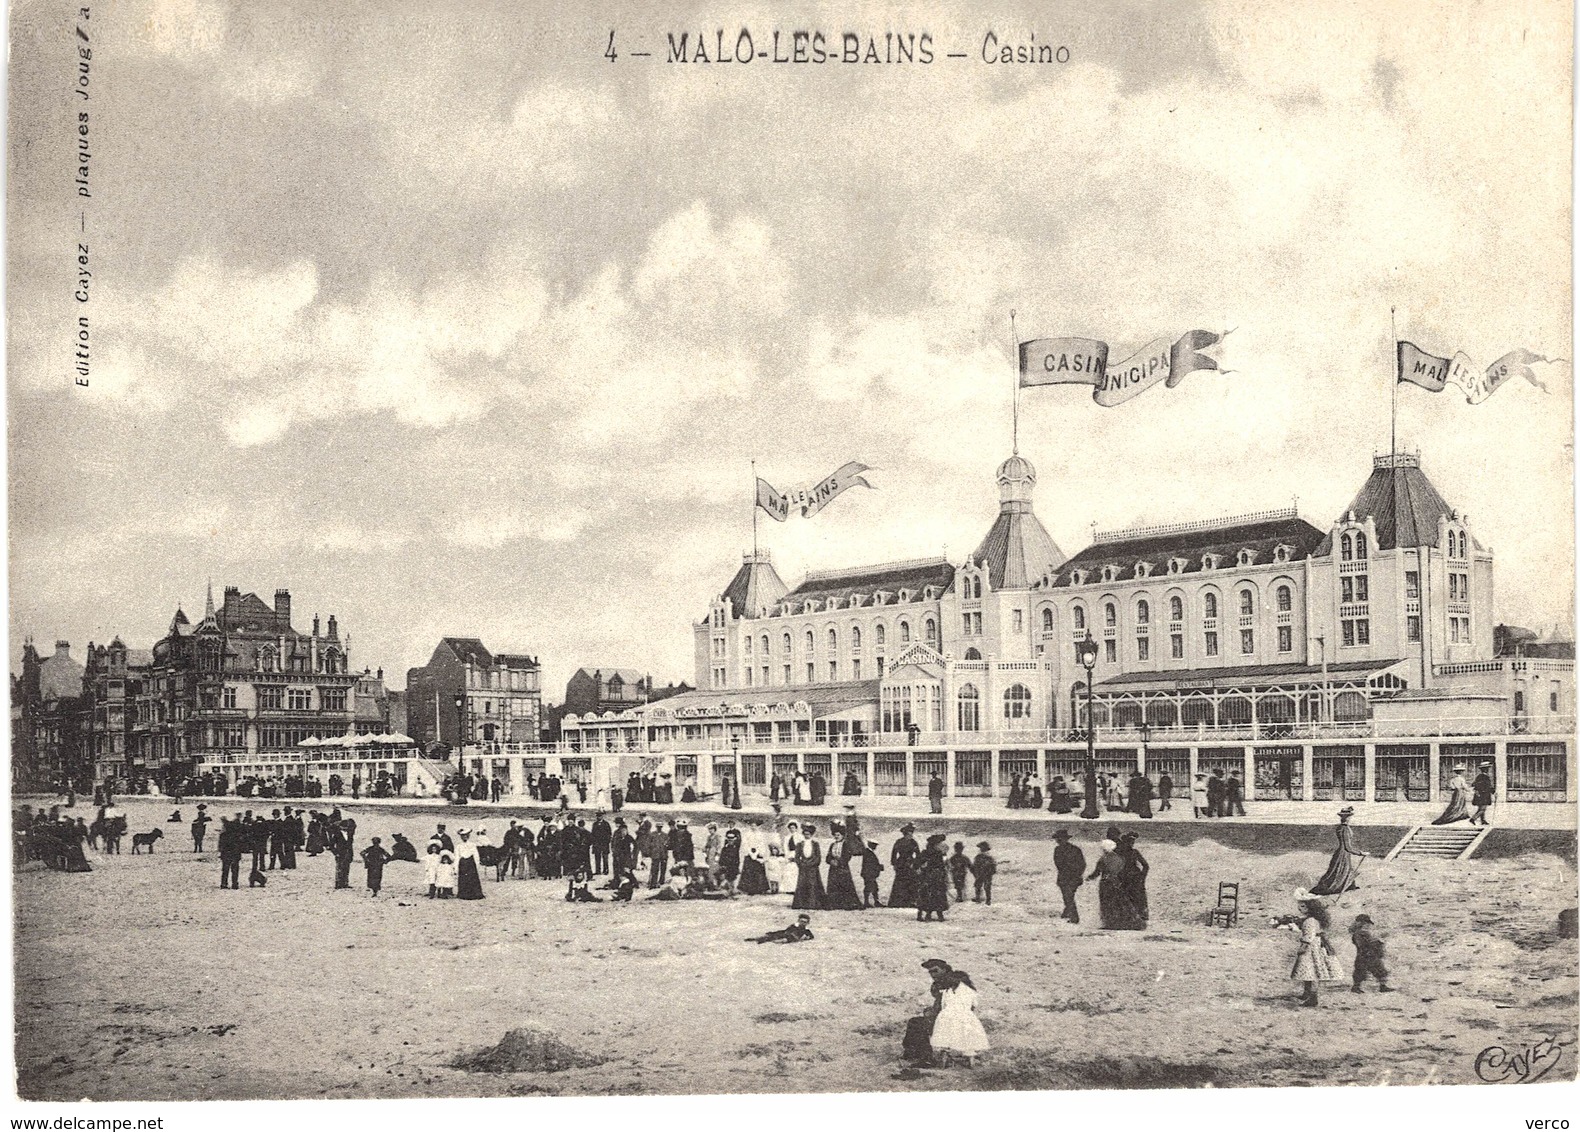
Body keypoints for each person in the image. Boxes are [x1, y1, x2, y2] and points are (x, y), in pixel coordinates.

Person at [1288, 892, 1341, 1007]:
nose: (1299, 908)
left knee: (1312, 973)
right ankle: (1307, 993)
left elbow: (1309, 936)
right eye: (1300, 905)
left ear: (1310, 907)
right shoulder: (1314, 919)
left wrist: (1303, 947)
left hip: (1311, 948)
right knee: (1309, 971)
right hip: (1316, 945)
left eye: (1303, 906)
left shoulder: (1309, 921)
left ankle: (1313, 998)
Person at [930, 970, 990, 1068]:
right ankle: (970, 1059)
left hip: (947, 1015)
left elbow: (943, 1005)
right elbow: (974, 1005)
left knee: (947, 1036)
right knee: (967, 1037)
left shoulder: (946, 991)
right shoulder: (970, 991)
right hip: (965, 1015)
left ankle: (945, 1057)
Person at [903, 959, 956, 1065]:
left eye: (935, 971)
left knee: (918, 1024)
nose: (932, 974)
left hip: (951, 1019)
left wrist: (935, 1013)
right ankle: (914, 1053)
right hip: (943, 1016)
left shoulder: (952, 984)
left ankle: (925, 1058)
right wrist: (932, 1011)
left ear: (944, 969)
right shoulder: (939, 982)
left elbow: (955, 1005)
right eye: (930, 972)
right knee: (916, 1022)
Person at [1309, 807, 1366, 895]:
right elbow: (1348, 847)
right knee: (1340, 872)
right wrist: (1361, 853)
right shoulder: (1345, 829)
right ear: (1346, 818)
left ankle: (1350, 886)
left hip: (1341, 853)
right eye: (1349, 817)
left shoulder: (1340, 827)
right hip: (1343, 854)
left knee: (1343, 871)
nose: (1350, 819)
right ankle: (1337, 888)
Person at [1086, 838, 1136, 930]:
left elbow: (1097, 872)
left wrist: (1089, 878)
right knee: (1118, 902)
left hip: (1106, 883)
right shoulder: (1120, 858)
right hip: (1117, 882)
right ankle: (1121, 922)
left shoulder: (1103, 859)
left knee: (1106, 903)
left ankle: (1109, 923)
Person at [1349, 914, 1395, 994]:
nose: (1368, 925)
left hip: (1371, 955)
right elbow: (1362, 945)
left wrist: (1377, 941)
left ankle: (1382, 986)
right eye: (1366, 923)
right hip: (1364, 955)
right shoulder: (1358, 934)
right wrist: (1377, 942)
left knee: (1380, 970)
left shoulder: (1364, 933)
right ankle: (1356, 987)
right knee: (1360, 971)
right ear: (1361, 923)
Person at [823, 828, 863, 910]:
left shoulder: (846, 844)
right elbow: (828, 857)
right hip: (833, 869)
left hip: (843, 868)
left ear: (842, 836)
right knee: (833, 885)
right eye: (835, 835)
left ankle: (847, 904)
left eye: (838, 835)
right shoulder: (832, 845)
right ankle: (834, 904)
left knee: (845, 885)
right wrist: (831, 861)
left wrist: (840, 862)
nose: (836, 837)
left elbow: (848, 856)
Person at [1052, 829, 1085, 923]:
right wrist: (1078, 874)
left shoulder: (1058, 850)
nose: (1058, 840)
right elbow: (1082, 864)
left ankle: (1074, 917)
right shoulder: (1076, 849)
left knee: (1068, 896)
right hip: (1075, 877)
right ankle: (1066, 912)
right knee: (1070, 895)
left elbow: (1058, 864)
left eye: (1059, 839)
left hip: (1065, 877)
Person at [915, 834, 950, 923]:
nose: (940, 845)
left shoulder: (938, 853)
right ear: (934, 845)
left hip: (936, 877)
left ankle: (936, 914)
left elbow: (943, 865)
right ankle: (930, 914)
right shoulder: (927, 853)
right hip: (929, 877)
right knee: (930, 895)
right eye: (939, 844)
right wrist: (922, 867)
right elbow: (916, 864)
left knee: (935, 895)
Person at [792, 823, 826, 910]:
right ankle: (801, 903)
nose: (806, 836)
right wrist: (801, 864)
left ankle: (812, 904)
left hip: (812, 868)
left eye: (808, 834)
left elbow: (818, 857)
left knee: (812, 885)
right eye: (805, 834)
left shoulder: (815, 844)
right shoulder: (800, 844)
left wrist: (811, 864)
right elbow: (797, 856)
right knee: (802, 884)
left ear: (811, 835)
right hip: (803, 867)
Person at [1117, 832, 1149, 927]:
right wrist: (1142, 877)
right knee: (1134, 899)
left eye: (1132, 842)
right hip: (1130, 878)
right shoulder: (1131, 852)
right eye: (1130, 842)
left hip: (1130, 878)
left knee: (1130, 899)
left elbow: (1146, 866)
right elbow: (1146, 866)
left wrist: (1142, 877)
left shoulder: (1123, 852)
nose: (1131, 844)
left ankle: (1133, 920)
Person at [889, 824, 920, 908]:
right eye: (909, 834)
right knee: (900, 882)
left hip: (910, 864)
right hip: (901, 864)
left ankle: (911, 901)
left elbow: (918, 854)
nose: (911, 835)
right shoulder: (899, 842)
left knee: (912, 882)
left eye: (911, 834)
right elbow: (894, 853)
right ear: (905, 834)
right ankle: (898, 901)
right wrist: (894, 864)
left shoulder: (913, 842)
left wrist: (916, 864)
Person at [454, 829, 485, 900]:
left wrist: (477, 865)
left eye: (466, 835)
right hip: (463, 864)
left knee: (472, 879)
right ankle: (463, 894)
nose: (464, 837)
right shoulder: (458, 846)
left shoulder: (472, 845)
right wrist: (456, 867)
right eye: (463, 836)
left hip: (471, 864)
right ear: (461, 837)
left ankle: (474, 894)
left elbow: (476, 855)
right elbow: (457, 857)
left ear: (468, 836)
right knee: (463, 879)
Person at [747, 913, 816, 944]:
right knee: (773, 935)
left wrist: (805, 938)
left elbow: (811, 936)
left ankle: (762, 940)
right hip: (785, 934)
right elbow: (787, 931)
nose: (802, 923)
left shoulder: (806, 930)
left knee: (774, 939)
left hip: (789, 938)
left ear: (807, 923)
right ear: (798, 921)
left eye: (804, 922)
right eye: (801, 921)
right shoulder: (794, 926)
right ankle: (756, 938)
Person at [218, 817, 244, 890]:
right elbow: (241, 845)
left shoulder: (223, 835)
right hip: (235, 854)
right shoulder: (237, 835)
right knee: (235, 870)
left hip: (226, 854)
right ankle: (234, 884)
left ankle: (224, 883)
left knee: (225, 870)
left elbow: (220, 846)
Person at [858, 839, 885, 907]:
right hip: (869, 874)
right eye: (874, 845)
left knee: (873, 887)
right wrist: (879, 867)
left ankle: (872, 902)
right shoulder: (868, 853)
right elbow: (871, 864)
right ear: (871, 845)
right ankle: (868, 902)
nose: (875, 847)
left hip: (868, 873)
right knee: (870, 887)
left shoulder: (867, 852)